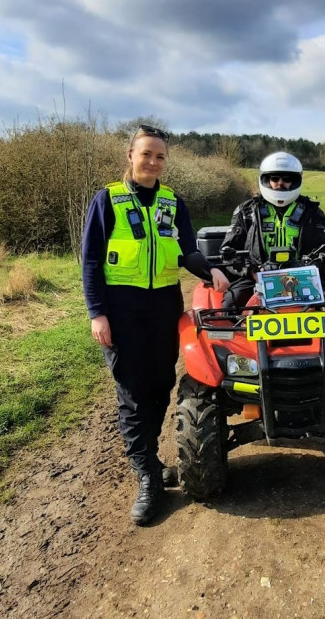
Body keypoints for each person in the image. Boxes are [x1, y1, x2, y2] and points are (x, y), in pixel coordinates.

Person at [81, 124, 229, 525]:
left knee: (160, 383)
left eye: (160, 156)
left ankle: (148, 458)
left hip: (164, 305)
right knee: (132, 391)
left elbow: (187, 251)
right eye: (146, 154)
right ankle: (148, 475)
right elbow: (91, 261)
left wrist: (210, 272)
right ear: (130, 155)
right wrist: (97, 313)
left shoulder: (172, 202)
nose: (153, 162)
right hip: (121, 308)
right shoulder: (107, 200)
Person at [219, 151, 325, 309]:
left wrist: (311, 266)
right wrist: (252, 272)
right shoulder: (246, 211)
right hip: (256, 275)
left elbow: (324, 249)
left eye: (286, 179)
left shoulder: (313, 212)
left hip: (304, 276)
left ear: (295, 181)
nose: (280, 183)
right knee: (229, 306)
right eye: (275, 178)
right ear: (266, 180)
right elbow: (228, 250)